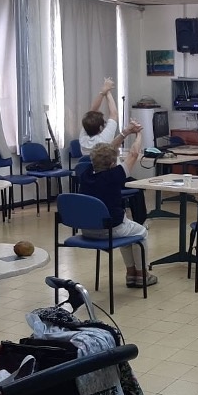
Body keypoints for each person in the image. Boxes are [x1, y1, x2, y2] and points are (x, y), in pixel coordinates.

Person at [78, 122, 157, 288]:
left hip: (87, 229)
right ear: (112, 164)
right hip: (110, 229)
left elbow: (103, 153)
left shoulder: (85, 174)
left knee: (127, 235)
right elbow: (134, 154)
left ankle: (131, 274)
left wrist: (125, 133)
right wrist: (139, 134)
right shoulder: (114, 175)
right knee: (141, 232)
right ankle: (142, 275)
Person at [79, 77, 120, 153]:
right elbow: (113, 114)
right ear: (101, 127)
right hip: (104, 161)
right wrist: (107, 91)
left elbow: (92, 111)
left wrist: (103, 91)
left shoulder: (83, 140)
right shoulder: (103, 140)